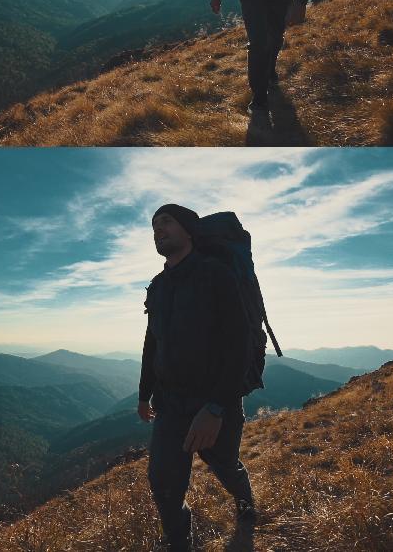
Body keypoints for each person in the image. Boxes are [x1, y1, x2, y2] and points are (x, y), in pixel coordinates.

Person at [138, 204, 256, 552]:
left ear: (188, 230)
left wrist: (216, 407)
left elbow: (240, 344)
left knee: (223, 465)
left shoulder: (215, 274)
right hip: (170, 403)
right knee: (163, 481)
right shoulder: (158, 286)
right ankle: (179, 543)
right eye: (154, 225)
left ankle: (246, 504)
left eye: (167, 222)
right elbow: (151, 344)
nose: (158, 229)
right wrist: (144, 395)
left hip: (215, 400)